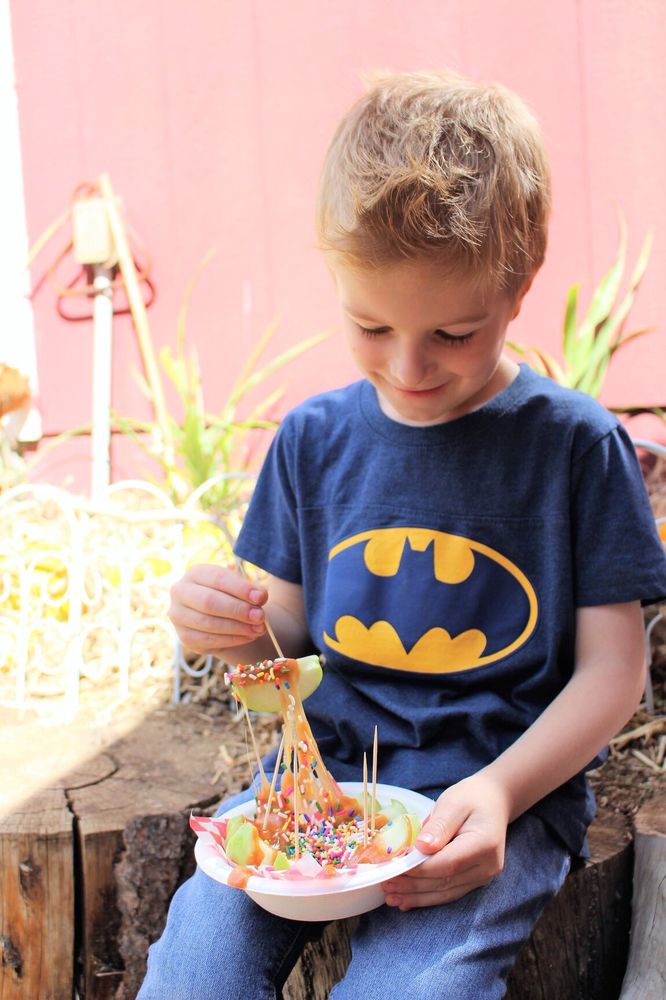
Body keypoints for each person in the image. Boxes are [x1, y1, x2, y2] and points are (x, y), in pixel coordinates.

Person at [138, 69, 666, 1000]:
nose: (410, 365)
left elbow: (614, 673)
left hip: (497, 791)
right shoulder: (312, 441)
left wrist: (502, 792)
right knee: (195, 968)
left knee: (414, 990)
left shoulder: (576, 447)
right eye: (371, 325)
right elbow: (283, 649)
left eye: (454, 333)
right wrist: (224, 627)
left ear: (520, 286)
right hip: (319, 780)